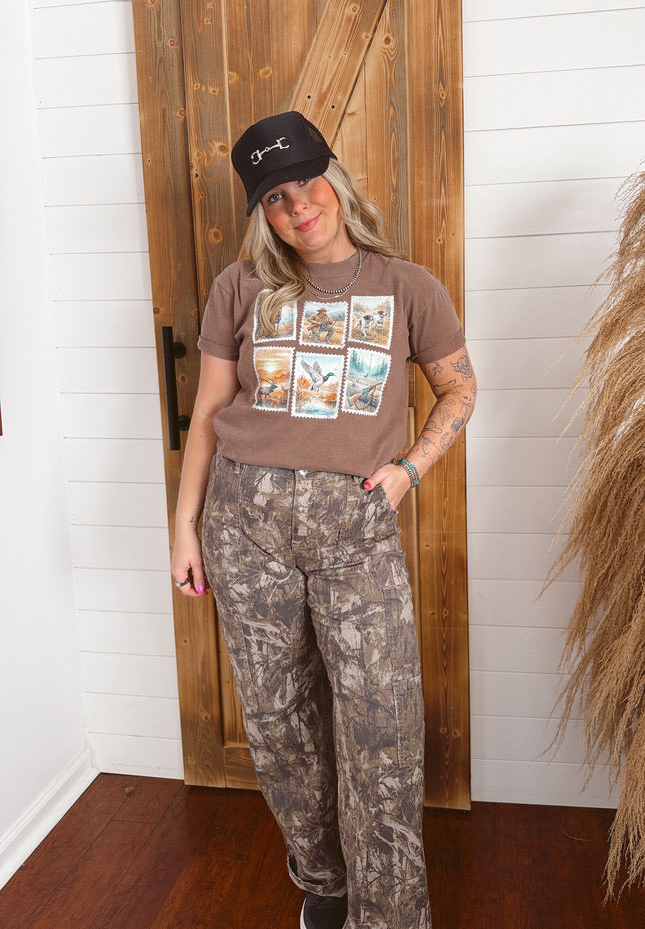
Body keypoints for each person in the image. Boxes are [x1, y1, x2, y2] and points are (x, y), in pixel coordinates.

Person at [170, 111, 476, 929]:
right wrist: (184, 527)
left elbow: (460, 388)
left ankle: (392, 915)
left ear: (334, 180)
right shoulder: (241, 286)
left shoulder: (407, 286)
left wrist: (410, 468)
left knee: (382, 729)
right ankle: (325, 883)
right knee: (280, 727)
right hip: (245, 528)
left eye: (306, 182)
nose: (297, 205)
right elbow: (209, 411)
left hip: (355, 532)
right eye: (274, 197)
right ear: (261, 212)